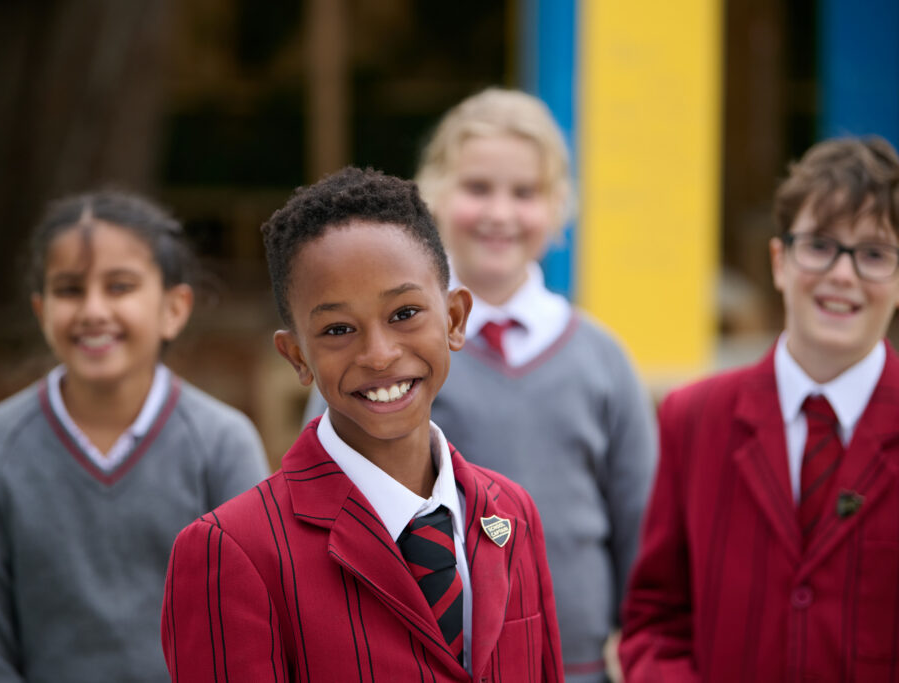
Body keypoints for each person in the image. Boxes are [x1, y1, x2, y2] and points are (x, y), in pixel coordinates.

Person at [303, 87, 657, 682]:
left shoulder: (604, 361)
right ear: (432, 197)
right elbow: (324, 491)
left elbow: (641, 524)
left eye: (525, 193)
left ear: (559, 207)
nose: (499, 212)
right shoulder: (383, 354)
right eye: (477, 188)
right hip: (410, 660)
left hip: (573, 666)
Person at [161, 167, 564, 682]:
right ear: (296, 357)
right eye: (337, 329)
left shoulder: (511, 515)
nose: (379, 354)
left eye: (405, 313)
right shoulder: (232, 551)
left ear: (456, 319)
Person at [0, 189, 270, 683]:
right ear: (41, 309)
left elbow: (250, 635)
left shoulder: (223, 444)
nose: (93, 310)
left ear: (174, 309)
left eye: (119, 287)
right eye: (69, 289)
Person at [619, 136, 899, 682]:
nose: (842, 274)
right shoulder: (693, 417)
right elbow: (656, 618)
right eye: (819, 245)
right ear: (779, 261)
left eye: (873, 255)